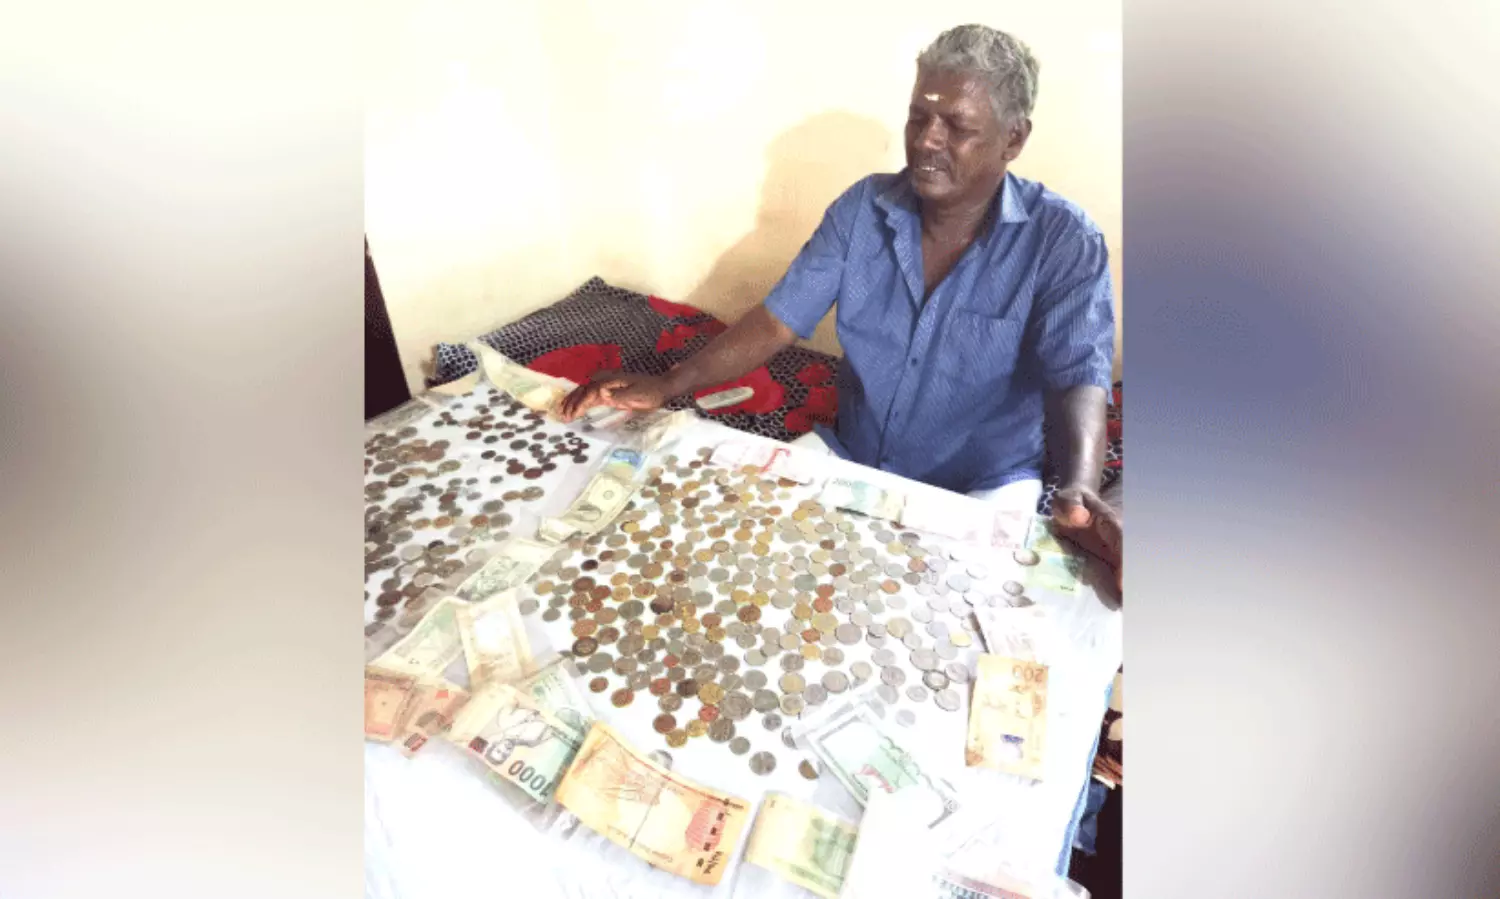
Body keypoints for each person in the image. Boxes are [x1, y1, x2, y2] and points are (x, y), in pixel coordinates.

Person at [561, 24, 1121, 592]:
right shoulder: (863, 208)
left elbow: (1079, 376)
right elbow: (777, 320)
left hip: (983, 484)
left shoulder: (1063, 239)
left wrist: (1079, 485)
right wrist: (670, 383)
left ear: (1013, 139)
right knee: (731, 544)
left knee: (972, 608)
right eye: (919, 117)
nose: (928, 141)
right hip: (854, 456)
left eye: (957, 126)